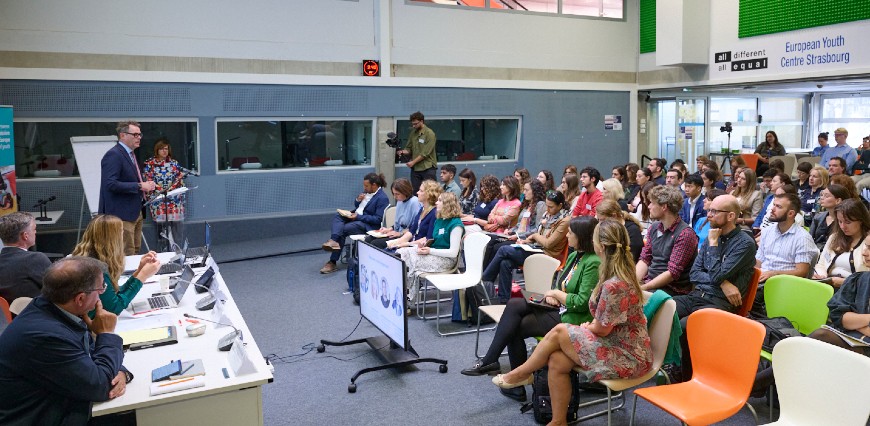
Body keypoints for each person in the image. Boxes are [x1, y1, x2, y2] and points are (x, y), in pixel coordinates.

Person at [490, 220, 652, 426]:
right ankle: (558, 421)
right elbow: (606, 319)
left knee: (559, 331)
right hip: (615, 341)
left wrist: (589, 327)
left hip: (628, 355)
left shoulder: (614, 282)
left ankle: (521, 373)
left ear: (600, 246)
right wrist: (592, 326)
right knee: (557, 359)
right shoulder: (614, 272)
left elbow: (602, 328)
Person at [461, 217, 601, 404]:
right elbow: (563, 285)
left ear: (581, 237)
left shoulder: (593, 262)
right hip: (560, 306)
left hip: (574, 317)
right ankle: (495, 364)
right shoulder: (576, 255)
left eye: (571, 233)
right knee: (515, 305)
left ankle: (506, 375)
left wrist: (556, 294)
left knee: (514, 327)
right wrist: (554, 295)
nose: (567, 235)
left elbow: (583, 302)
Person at [0, 257, 132, 424]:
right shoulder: (47, 336)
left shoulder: (52, 308)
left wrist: (121, 371)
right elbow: (101, 386)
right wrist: (107, 334)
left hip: (59, 402)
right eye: (101, 289)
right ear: (80, 299)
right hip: (42, 417)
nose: (101, 295)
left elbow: (90, 357)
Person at [675, 194, 757, 378]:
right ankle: (672, 365)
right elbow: (694, 274)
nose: (709, 215)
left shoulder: (745, 243)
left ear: (731, 216)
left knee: (686, 325)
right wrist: (724, 283)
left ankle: (687, 376)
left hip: (720, 303)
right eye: (709, 210)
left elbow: (716, 274)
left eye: (714, 211)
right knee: (665, 309)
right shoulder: (713, 234)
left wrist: (712, 245)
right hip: (698, 295)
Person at [482, 190, 570, 303]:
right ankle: (503, 301)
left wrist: (534, 236)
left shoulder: (565, 220)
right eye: (547, 206)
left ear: (560, 206)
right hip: (537, 248)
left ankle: (486, 279)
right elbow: (540, 235)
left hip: (549, 255)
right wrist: (526, 241)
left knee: (503, 249)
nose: (547, 209)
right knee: (505, 263)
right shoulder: (548, 214)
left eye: (551, 207)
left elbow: (549, 243)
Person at [71, 214, 161, 315]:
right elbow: (115, 307)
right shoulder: (95, 268)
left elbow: (115, 293)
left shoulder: (93, 258)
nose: (123, 235)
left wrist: (140, 270)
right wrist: (142, 276)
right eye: (121, 232)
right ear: (112, 239)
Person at [99, 120, 156, 255]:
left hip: (135, 212)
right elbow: (110, 183)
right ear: (122, 135)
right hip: (122, 215)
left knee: (135, 250)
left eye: (139, 135)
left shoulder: (130, 154)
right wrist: (139, 186)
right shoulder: (114, 154)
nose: (139, 138)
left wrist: (145, 185)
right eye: (135, 135)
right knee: (126, 253)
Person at [398, 192, 464, 300]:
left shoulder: (456, 225)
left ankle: (408, 298)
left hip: (446, 260)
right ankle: (404, 292)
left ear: (447, 204)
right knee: (402, 252)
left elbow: (453, 253)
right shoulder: (440, 220)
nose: (436, 203)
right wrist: (426, 244)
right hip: (433, 253)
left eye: (440, 200)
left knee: (409, 261)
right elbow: (436, 240)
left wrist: (430, 250)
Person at [320, 173, 389, 274]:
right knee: (338, 216)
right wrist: (358, 200)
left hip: (366, 224)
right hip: (355, 216)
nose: (364, 188)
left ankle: (332, 261)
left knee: (343, 229)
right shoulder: (366, 192)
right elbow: (359, 206)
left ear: (374, 185)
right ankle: (334, 240)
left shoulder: (382, 198)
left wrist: (358, 217)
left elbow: (377, 219)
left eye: (366, 186)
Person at [636, 185, 698, 296]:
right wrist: (633, 283)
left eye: (652, 203)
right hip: (651, 283)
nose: (649, 206)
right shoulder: (654, 227)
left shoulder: (685, 234)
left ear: (664, 207)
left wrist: (643, 288)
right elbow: (645, 258)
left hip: (672, 290)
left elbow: (672, 273)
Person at [756, 193, 819, 284]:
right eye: (773, 205)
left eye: (778, 207)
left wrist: (774, 274)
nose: (772, 209)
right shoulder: (767, 231)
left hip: (784, 284)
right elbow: (759, 261)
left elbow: (802, 272)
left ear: (791, 213)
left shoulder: (802, 238)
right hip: (762, 279)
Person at [143, 137, 188, 252]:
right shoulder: (150, 164)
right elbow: (148, 180)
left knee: (176, 228)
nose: (164, 151)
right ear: (157, 150)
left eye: (166, 149)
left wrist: (171, 189)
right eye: (162, 149)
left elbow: (180, 180)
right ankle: (163, 252)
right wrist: (161, 190)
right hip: (159, 201)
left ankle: (177, 251)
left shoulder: (174, 163)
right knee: (162, 230)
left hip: (174, 201)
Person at [813, 199, 870, 288]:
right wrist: (822, 276)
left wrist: (845, 283)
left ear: (861, 220)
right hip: (829, 285)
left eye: (848, 222)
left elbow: (866, 280)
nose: (843, 226)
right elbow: (821, 264)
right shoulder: (834, 237)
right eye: (840, 221)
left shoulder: (867, 242)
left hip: (855, 290)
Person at [0, 212, 51, 303]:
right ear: (25, 236)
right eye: (34, 229)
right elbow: (60, 289)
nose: (35, 232)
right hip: (36, 315)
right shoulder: (35, 259)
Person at [366, 178, 421, 249]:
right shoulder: (400, 201)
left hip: (406, 236)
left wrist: (399, 233)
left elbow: (416, 227)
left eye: (397, 194)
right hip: (398, 233)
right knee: (369, 239)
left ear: (405, 192)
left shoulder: (414, 202)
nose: (395, 197)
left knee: (376, 243)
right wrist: (389, 229)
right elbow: (398, 223)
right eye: (394, 194)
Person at [386, 180, 440, 250]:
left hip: (419, 247)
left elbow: (429, 238)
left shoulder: (434, 213)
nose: (417, 192)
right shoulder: (422, 209)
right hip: (412, 243)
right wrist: (396, 242)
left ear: (428, 194)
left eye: (421, 191)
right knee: (387, 248)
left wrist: (407, 244)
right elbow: (412, 231)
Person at [398, 111, 437, 191]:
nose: (414, 126)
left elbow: (425, 153)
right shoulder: (413, 133)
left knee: (430, 192)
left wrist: (413, 162)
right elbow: (409, 148)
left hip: (428, 167)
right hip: (416, 169)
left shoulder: (430, 133)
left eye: (415, 124)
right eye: (412, 124)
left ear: (422, 121)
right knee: (416, 192)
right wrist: (402, 152)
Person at [809, 184, 850, 250]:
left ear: (838, 200)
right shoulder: (818, 217)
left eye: (826, 196)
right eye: (822, 195)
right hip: (816, 253)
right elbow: (809, 238)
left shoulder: (846, 220)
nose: (821, 198)